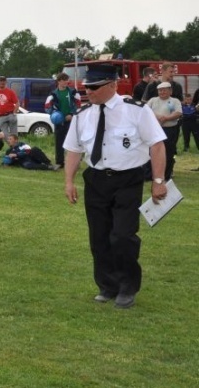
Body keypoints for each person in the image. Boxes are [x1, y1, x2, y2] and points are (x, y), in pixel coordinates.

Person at [64, 63, 167, 309]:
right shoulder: (82, 115)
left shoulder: (136, 111)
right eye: (87, 87)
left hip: (127, 180)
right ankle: (107, 285)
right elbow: (73, 150)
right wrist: (68, 181)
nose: (89, 92)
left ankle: (127, 287)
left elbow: (157, 145)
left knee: (122, 236)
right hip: (97, 180)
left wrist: (158, 181)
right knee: (98, 237)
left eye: (95, 87)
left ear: (113, 85)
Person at [145, 81, 182, 181]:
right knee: (151, 151)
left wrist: (166, 118)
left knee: (168, 152)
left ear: (170, 91)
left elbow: (178, 113)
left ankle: (166, 175)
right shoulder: (153, 100)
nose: (162, 92)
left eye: (164, 90)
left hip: (170, 130)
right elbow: (146, 111)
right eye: (160, 90)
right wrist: (157, 117)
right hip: (155, 129)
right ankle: (149, 175)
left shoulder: (175, 101)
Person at [45, 73, 81, 167]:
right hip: (59, 121)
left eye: (67, 80)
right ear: (59, 81)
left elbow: (78, 104)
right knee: (59, 142)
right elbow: (47, 106)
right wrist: (54, 114)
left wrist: (72, 114)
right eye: (64, 80)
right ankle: (60, 162)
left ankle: (74, 162)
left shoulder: (73, 92)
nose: (66, 82)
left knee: (74, 142)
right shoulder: (53, 94)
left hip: (71, 120)